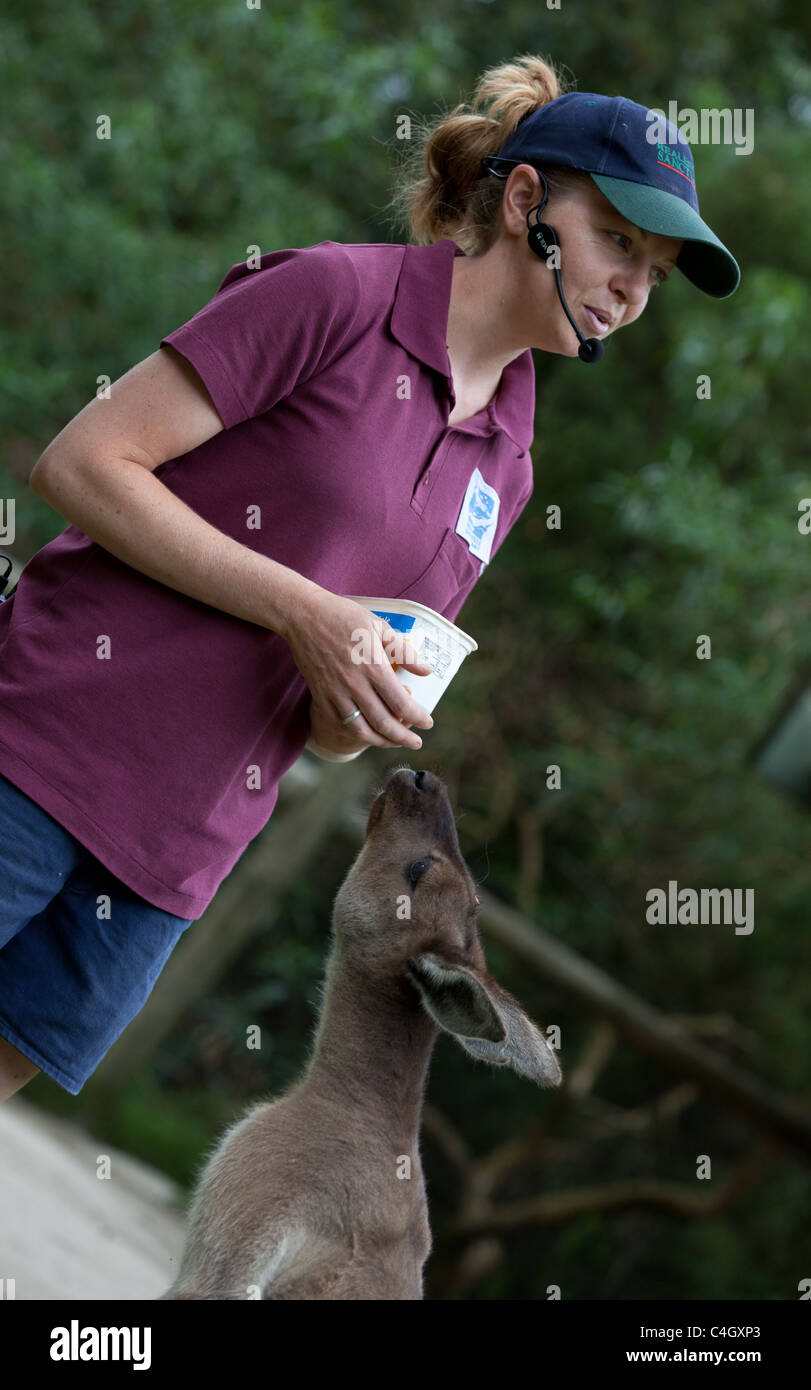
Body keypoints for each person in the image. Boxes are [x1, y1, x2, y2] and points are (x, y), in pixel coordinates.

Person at [0, 54, 740, 1101]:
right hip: (37, 753)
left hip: (174, 857)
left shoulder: (511, 468)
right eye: (616, 240)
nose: (630, 288)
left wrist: (359, 702)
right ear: (524, 198)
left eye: (654, 272)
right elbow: (81, 464)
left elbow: (325, 718)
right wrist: (306, 609)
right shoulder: (334, 293)